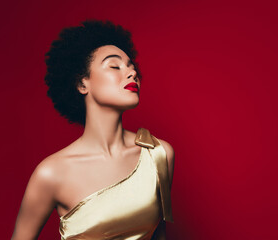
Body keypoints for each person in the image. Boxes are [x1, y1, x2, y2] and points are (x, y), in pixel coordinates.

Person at [11, 19, 175, 240]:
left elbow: (160, 235)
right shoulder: (51, 173)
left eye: (131, 66)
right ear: (82, 84)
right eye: (114, 66)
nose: (131, 73)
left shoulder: (158, 153)